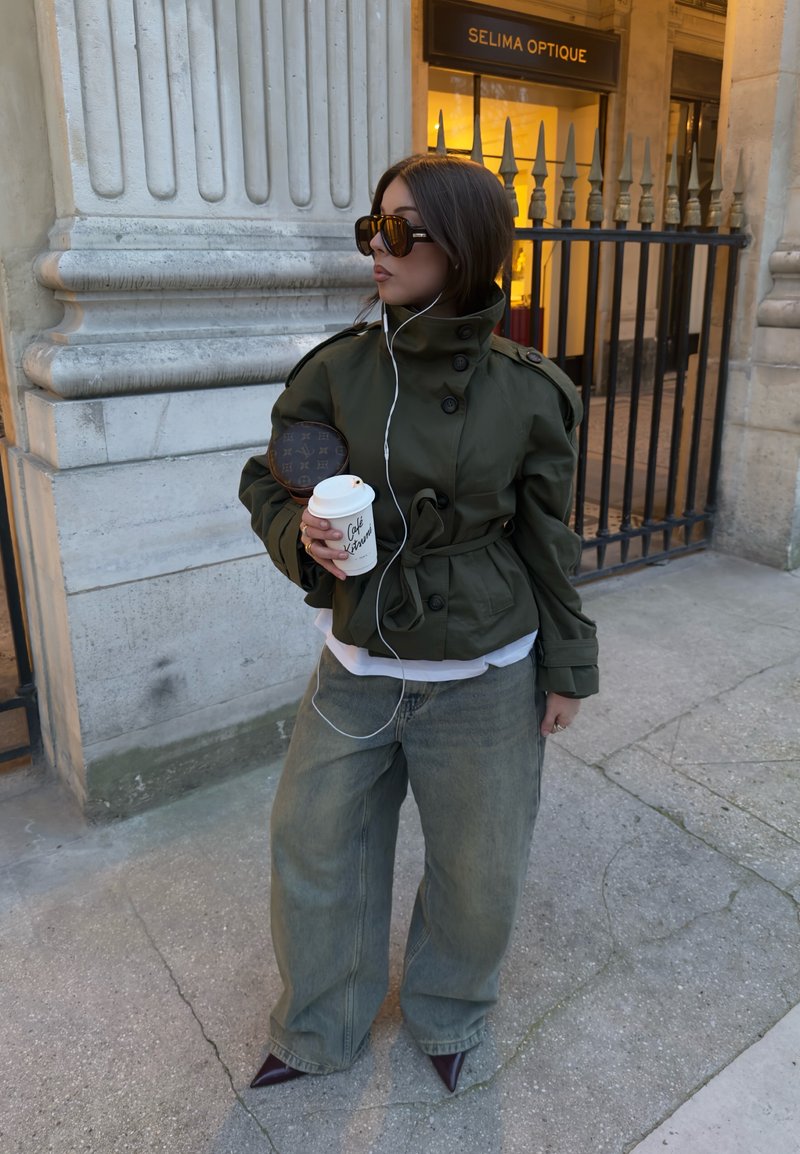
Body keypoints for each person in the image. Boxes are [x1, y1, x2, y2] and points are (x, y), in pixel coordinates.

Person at [239, 153, 598, 1094]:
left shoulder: (532, 392)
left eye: (401, 232)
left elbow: (548, 538)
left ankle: (448, 1014)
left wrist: (567, 667)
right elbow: (266, 479)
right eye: (372, 227)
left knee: (478, 873)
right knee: (313, 841)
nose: (376, 249)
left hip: (487, 673)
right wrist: (299, 535)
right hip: (359, 661)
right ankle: (320, 1023)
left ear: (466, 248)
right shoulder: (338, 373)